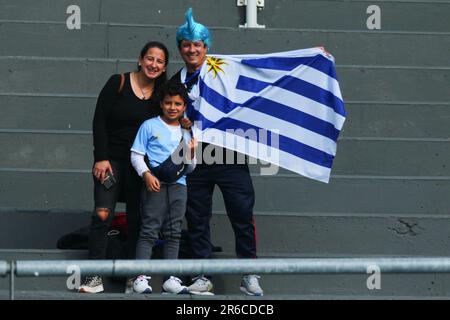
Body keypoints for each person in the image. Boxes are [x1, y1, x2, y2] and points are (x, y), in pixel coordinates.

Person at [169, 8, 263, 296]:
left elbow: (259, 71)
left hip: (229, 154)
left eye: (197, 45)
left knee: (242, 213)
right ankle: (202, 275)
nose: (192, 49)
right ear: (180, 49)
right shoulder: (174, 82)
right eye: (186, 45)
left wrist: (309, 59)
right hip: (194, 158)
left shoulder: (223, 68)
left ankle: (248, 273)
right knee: (196, 217)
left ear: (206, 47)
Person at [78, 41, 169, 293]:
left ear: (164, 68)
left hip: (141, 165)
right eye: (150, 59)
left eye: (159, 62)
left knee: (136, 219)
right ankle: (93, 277)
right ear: (140, 60)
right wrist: (101, 157)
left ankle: (133, 277)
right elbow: (99, 120)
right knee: (102, 215)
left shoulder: (162, 94)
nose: (154, 64)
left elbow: (172, 117)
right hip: (112, 161)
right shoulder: (117, 82)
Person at [130, 83, 197, 294]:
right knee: (149, 230)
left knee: (174, 232)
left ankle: (171, 279)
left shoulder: (187, 132)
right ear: (161, 104)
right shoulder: (149, 125)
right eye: (168, 103)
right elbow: (136, 155)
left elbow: (190, 168)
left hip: (179, 186)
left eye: (178, 103)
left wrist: (192, 153)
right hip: (155, 184)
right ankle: (140, 277)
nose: (173, 107)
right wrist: (146, 174)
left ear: (184, 106)